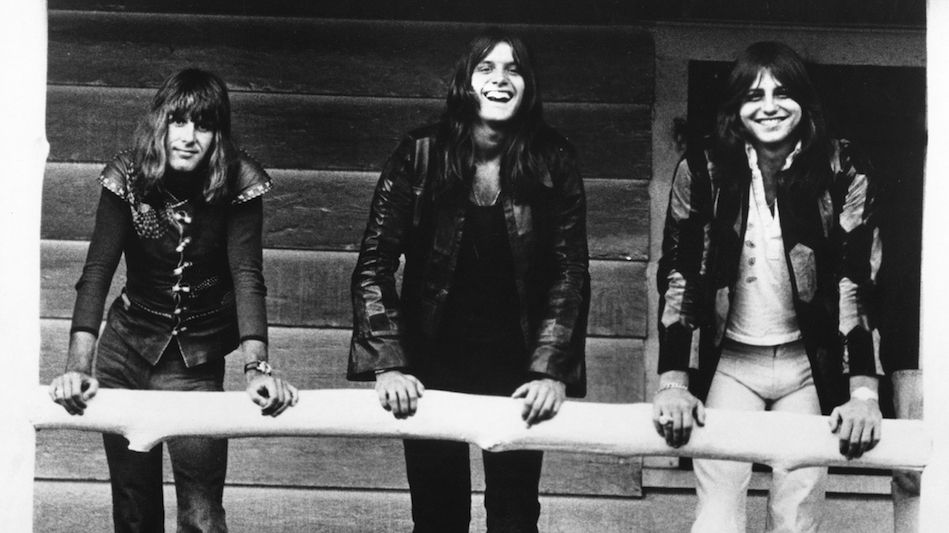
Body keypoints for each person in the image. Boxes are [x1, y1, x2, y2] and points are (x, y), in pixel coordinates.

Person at [348, 31, 590, 533]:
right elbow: (375, 262)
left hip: (518, 370)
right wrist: (389, 363)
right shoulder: (419, 153)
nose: (500, 80)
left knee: (515, 518)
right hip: (431, 367)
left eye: (513, 69)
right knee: (437, 520)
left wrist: (549, 370)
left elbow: (570, 273)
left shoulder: (554, 159)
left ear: (528, 86)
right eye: (486, 68)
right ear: (466, 83)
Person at [48, 68, 299, 533]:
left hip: (194, 363)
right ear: (160, 124)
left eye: (202, 125)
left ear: (217, 134)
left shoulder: (240, 180)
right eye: (178, 122)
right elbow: (98, 271)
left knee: (202, 515)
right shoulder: (128, 174)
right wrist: (78, 363)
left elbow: (248, 276)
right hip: (123, 354)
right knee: (133, 508)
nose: (188, 137)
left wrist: (256, 366)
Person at [653, 42, 883, 533]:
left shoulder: (843, 167)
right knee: (716, 515)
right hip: (732, 362)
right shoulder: (703, 168)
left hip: (804, 365)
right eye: (754, 94)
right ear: (736, 107)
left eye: (783, 92)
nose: (770, 106)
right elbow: (681, 273)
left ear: (804, 100)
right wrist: (673, 382)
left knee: (797, 516)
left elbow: (855, 275)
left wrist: (862, 391)